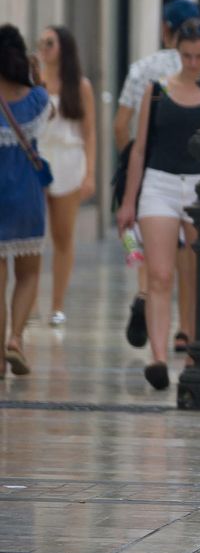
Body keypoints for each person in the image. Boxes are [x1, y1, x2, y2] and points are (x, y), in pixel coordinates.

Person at [116, 18, 200, 390]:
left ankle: (192, 348)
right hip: (159, 182)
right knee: (160, 274)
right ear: (178, 54)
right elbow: (139, 149)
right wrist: (128, 201)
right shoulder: (156, 91)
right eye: (187, 56)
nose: (193, 63)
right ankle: (158, 357)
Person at [35, 25, 95, 328]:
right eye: (41, 42)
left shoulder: (79, 86)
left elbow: (89, 131)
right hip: (36, 158)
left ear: (63, 47)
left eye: (50, 42)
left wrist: (90, 173)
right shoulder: (33, 82)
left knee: (62, 235)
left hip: (69, 160)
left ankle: (57, 304)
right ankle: (30, 301)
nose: (44, 47)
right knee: (32, 234)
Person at [0, 26, 49, 376]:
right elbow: (53, 116)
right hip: (28, 197)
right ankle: (15, 338)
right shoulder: (36, 100)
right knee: (28, 275)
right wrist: (37, 77)